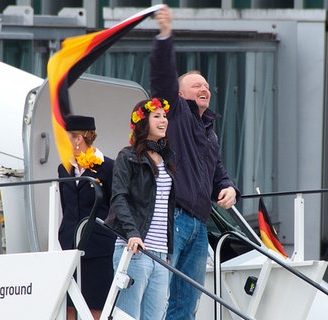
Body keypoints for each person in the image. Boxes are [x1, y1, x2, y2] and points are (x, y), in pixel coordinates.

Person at [150, 6, 241, 320]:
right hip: (173, 217)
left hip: (199, 224)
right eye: (197, 85)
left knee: (187, 304)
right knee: (160, 294)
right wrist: (164, 36)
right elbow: (162, 78)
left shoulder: (209, 132)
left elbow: (217, 171)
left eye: (207, 86)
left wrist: (228, 187)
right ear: (180, 93)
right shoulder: (175, 112)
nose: (205, 89)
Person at [104, 98, 175, 320]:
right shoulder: (128, 156)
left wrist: (167, 248)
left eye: (164, 116)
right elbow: (119, 197)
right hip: (135, 251)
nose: (163, 120)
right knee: (128, 317)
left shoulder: (166, 159)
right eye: (157, 116)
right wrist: (132, 234)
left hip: (161, 255)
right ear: (143, 122)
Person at [57, 115, 116, 319]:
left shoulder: (107, 167)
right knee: (68, 307)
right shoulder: (64, 168)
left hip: (98, 247)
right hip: (70, 246)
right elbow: (66, 206)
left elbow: (115, 205)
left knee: (95, 307)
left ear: (78, 139)